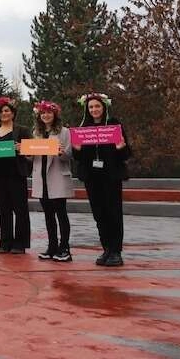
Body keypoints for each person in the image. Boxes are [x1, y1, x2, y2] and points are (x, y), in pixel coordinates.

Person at [72, 92, 131, 267]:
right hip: (92, 177)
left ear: (104, 107)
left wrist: (121, 147)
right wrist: (77, 149)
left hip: (111, 176)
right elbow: (78, 157)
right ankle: (106, 248)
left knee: (114, 213)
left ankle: (116, 251)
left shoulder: (114, 124)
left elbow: (126, 154)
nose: (94, 110)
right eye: (91, 107)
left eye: (97, 106)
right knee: (99, 214)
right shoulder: (83, 127)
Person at [0, 97, 32, 254]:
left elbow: (31, 152)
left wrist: (22, 148)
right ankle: (5, 242)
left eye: (7, 111)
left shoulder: (22, 130)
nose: (4, 113)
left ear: (13, 113)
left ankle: (20, 243)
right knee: (3, 209)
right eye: (1, 111)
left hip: (16, 174)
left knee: (20, 209)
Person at [31, 100, 73, 262]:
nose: (46, 115)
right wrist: (26, 153)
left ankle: (65, 248)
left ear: (55, 114)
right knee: (48, 215)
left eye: (49, 112)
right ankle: (52, 246)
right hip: (41, 178)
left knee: (61, 214)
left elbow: (69, 155)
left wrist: (61, 153)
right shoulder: (36, 133)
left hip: (57, 176)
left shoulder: (64, 132)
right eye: (42, 113)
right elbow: (32, 156)